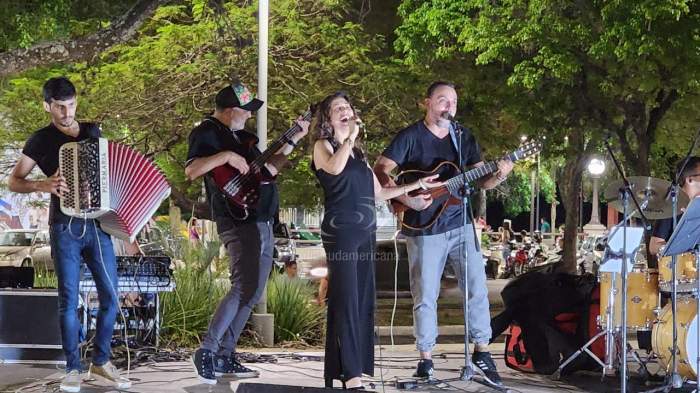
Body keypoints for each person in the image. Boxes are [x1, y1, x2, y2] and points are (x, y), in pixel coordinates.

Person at [374, 81, 513, 386]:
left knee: (476, 288)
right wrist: (406, 198)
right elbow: (380, 170)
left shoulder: (463, 137)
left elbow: (482, 181)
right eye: (441, 100)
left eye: (453, 101)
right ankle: (425, 359)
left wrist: (500, 172)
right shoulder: (410, 137)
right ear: (427, 103)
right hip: (424, 227)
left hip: (461, 223)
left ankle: (481, 351)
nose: (448, 106)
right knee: (425, 295)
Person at [311, 91, 441, 389]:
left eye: (348, 106)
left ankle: (350, 371)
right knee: (344, 299)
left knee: (361, 300)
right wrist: (349, 138)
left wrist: (415, 186)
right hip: (340, 231)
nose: (346, 111)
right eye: (338, 109)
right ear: (328, 120)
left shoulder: (357, 153)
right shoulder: (324, 146)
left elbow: (378, 193)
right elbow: (333, 169)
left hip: (364, 231)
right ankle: (350, 375)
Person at [8, 77, 130, 392]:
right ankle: (73, 368)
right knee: (68, 300)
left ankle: (100, 362)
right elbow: (14, 181)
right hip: (65, 227)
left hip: (98, 225)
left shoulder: (93, 132)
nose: (67, 112)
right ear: (47, 106)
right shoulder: (40, 140)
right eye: (60, 106)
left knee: (111, 296)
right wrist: (42, 184)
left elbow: (109, 173)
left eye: (71, 104)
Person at [185, 81, 309, 384]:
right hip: (237, 219)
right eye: (246, 110)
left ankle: (226, 354)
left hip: (262, 218)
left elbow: (269, 170)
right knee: (243, 285)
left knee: (253, 290)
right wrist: (226, 157)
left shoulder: (244, 139)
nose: (249, 116)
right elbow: (192, 170)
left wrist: (293, 138)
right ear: (230, 111)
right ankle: (207, 351)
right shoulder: (207, 132)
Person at [649, 157, 700, 256]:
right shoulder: (672, 205)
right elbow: (653, 246)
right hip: (681, 268)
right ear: (690, 179)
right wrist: (674, 249)